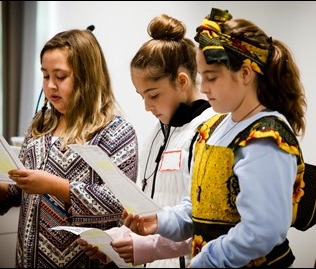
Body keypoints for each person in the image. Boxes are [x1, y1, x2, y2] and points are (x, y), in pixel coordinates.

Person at [122, 7, 308, 268]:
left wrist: (207, 260)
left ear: (245, 73)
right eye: (202, 77)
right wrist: (161, 221)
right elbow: (199, 204)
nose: (203, 87)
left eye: (211, 77)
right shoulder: (215, 128)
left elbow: (261, 232)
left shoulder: (266, 137)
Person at [0, 28, 138, 268]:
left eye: (60, 77)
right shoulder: (40, 126)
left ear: (87, 77)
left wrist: (55, 186)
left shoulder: (115, 131)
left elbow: (119, 204)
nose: (50, 86)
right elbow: (17, 193)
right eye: (45, 76)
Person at [78, 14, 215, 268]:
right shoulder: (156, 133)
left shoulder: (208, 132)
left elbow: (208, 224)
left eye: (153, 95)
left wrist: (146, 247)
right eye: (141, 96)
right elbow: (149, 210)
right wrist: (114, 239)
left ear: (182, 81)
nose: (147, 106)